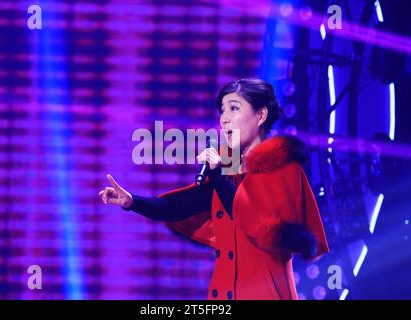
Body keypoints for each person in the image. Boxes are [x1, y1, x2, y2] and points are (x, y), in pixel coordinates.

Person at [99, 78, 329, 300]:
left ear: (261, 115)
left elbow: (259, 225)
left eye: (234, 108)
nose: (224, 119)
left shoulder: (283, 169)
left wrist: (219, 175)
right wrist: (132, 201)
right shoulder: (226, 170)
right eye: (222, 111)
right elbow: (177, 207)